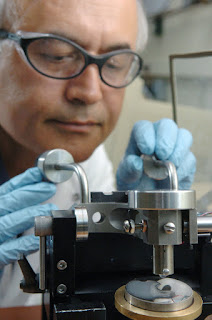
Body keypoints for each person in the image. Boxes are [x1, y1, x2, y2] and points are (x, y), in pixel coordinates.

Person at [0, 0, 196, 315]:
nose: (90, 92)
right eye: (57, 55)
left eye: (116, 63)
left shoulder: (82, 160)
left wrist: (132, 241)